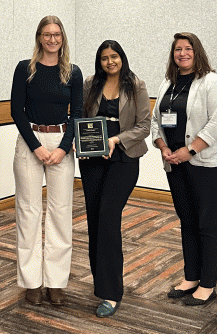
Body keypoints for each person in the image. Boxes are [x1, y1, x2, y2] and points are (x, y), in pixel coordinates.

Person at [150, 32, 217, 306]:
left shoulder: (212, 82)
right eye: (177, 50)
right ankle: (191, 278)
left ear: (197, 52)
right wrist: (163, 147)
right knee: (187, 222)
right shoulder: (167, 84)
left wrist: (190, 150)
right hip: (175, 165)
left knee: (208, 224)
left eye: (187, 49)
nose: (182, 54)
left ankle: (208, 285)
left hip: (206, 166)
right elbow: (155, 121)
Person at [10, 15, 83, 306]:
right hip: (31, 142)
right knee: (28, 212)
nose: (52, 39)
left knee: (60, 213)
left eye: (57, 35)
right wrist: (36, 147)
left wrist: (63, 148)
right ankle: (31, 282)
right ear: (39, 37)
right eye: (47, 34)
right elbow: (17, 111)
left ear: (62, 38)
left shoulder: (72, 72)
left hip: (61, 143)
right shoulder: (24, 70)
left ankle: (55, 282)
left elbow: (76, 112)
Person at [78, 40, 150, 317]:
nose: (110, 62)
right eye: (105, 58)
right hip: (93, 161)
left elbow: (144, 126)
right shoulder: (90, 84)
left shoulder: (136, 85)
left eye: (114, 56)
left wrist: (117, 139)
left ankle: (111, 293)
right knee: (95, 220)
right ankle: (102, 284)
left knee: (108, 217)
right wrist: (80, 143)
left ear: (122, 58)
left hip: (124, 158)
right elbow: (81, 117)